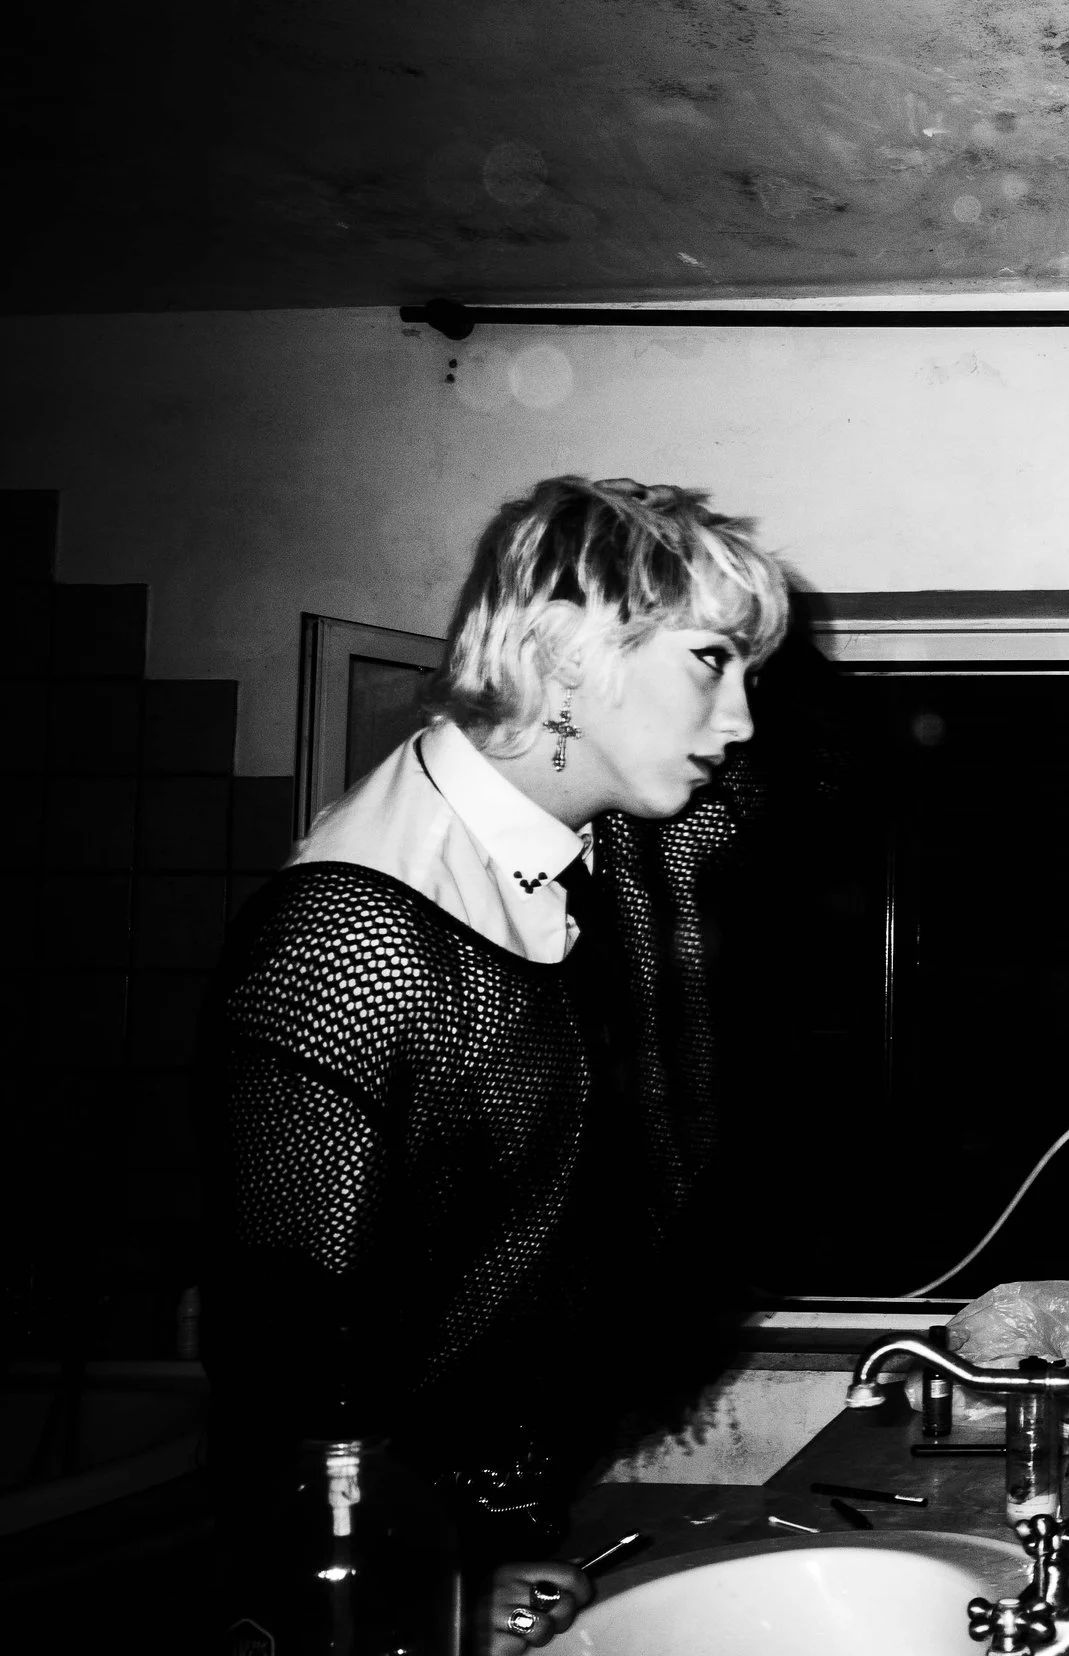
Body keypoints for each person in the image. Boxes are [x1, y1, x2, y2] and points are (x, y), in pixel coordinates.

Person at [198, 476, 789, 1652]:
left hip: (505, 1515)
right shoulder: (352, 945)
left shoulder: (597, 836)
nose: (739, 721)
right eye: (711, 661)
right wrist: (440, 1588)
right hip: (377, 1577)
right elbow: (293, 1380)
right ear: (567, 651)